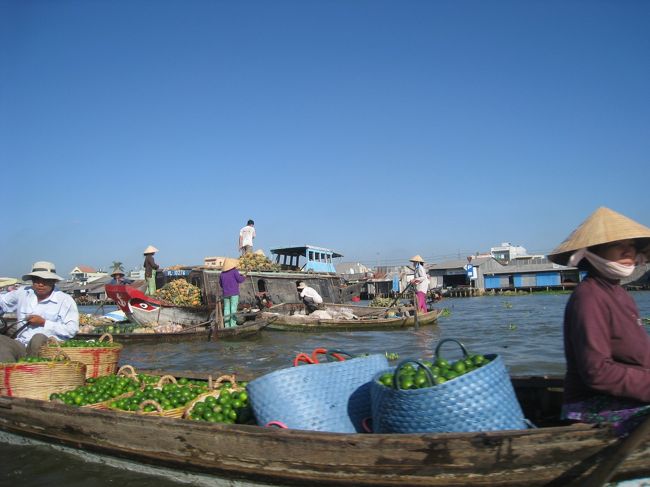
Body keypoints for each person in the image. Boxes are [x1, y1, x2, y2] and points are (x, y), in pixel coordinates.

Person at [547, 207, 650, 436]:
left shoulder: (620, 294)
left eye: (632, 245)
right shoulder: (589, 297)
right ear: (593, 252)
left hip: (626, 396)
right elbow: (598, 371)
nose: (628, 250)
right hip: (592, 406)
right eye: (617, 244)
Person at [0, 261, 79, 362]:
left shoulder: (65, 300)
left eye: (45, 281)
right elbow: (2, 302)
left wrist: (44, 323)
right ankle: (9, 373)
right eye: (36, 280)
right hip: (21, 344)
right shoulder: (23, 293)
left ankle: (32, 370)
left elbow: (72, 330)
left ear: (53, 281)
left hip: (48, 348)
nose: (40, 284)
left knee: (38, 338)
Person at [219, 257, 246, 328]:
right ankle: (233, 325)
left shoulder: (222, 274)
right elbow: (240, 280)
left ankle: (227, 325)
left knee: (226, 309)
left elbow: (221, 284)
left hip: (225, 294)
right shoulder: (234, 271)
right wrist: (244, 276)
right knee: (233, 309)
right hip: (234, 293)